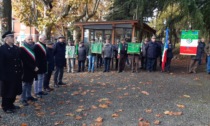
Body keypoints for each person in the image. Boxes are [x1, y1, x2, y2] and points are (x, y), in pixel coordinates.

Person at [0, 31, 22, 113]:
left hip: (16, 74)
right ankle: (6, 107)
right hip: (7, 75)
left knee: (14, 90)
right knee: (7, 91)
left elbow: (19, 61)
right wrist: (2, 76)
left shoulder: (16, 48)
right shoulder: (2, 49)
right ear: (6, 38)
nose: (14, 38)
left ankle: (11, 104)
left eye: (14, 37)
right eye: (12, 37)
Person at [20, 36, 38, 106]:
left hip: (33, 69)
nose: (30, 40)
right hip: (26, 69)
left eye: (31, 39)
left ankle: (29, 96)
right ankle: (23, 98)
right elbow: (24, 61)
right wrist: (33, 67)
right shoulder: (22, 49)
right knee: (25, 84)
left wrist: (36, 66)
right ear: (25, 40)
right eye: (29, 39)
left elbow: (35, 58)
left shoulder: (33, 47)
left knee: (30, 83)